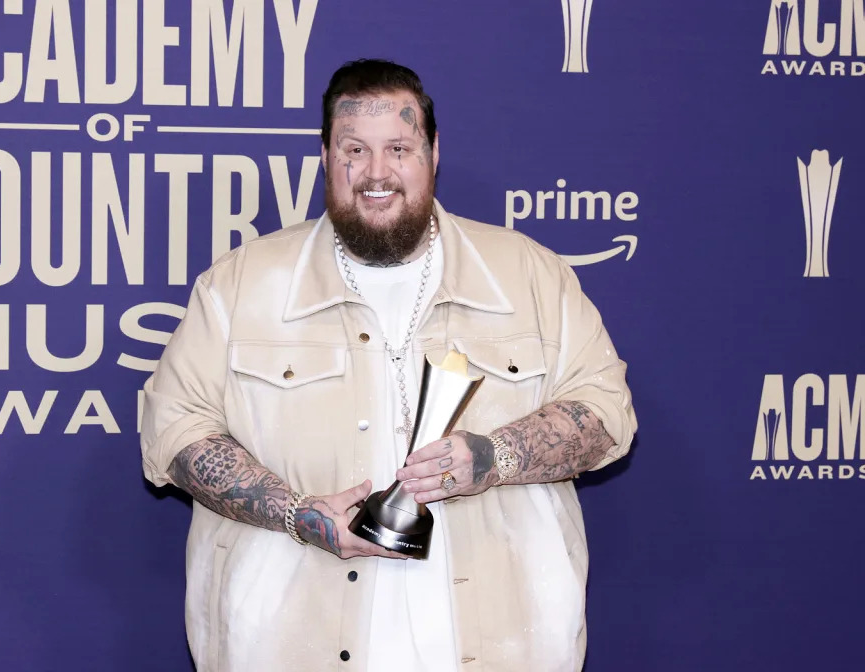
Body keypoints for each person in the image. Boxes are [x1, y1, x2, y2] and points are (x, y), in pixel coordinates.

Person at [141, 59, 636, 672]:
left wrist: (494, 457)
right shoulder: (239, 286)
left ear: (432, 152)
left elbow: (607, 412)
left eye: (398, 148)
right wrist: (296, 514)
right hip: (287, 645)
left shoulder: (531, 276)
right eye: (355, 150)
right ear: (326, 156)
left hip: (510, 642)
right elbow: (176, 430)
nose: (377, 173)